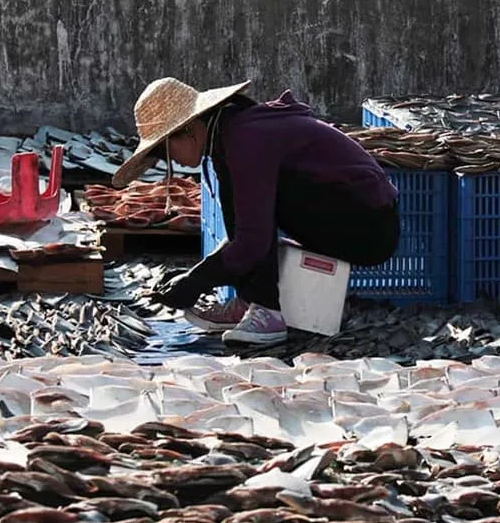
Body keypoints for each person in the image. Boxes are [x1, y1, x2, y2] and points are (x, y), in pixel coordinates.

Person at [111, 77, 400, 344]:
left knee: (252, 212)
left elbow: (252, 239)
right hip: (351, 214)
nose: (169, 160)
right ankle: (250, 300)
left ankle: (268, 312)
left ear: (188, 129)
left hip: (368, 225)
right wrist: (202, 275)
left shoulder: (246, 138)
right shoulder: (231, 134)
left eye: (164, 151)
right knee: (240, 195)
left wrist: (197, 280)